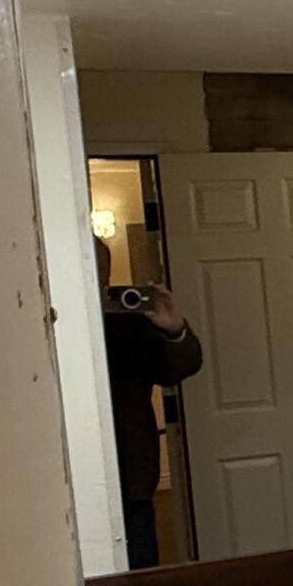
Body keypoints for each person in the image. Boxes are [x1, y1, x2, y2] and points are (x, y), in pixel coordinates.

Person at [96, 238, 202, 566]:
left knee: (140, 575)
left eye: (101, 272)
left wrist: (173, 329)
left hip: (131, 475)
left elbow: (176, 370)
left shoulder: (127, 321)